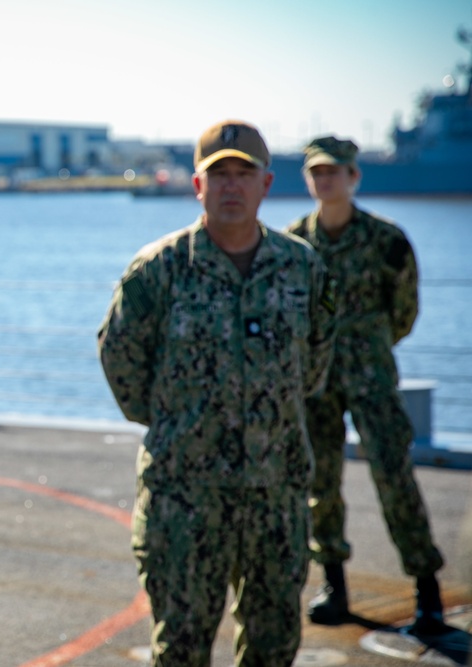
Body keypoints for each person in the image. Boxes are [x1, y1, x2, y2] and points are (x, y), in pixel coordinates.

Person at [97, 120, 337, 666]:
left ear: (266, 184)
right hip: (185, 499)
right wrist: (176, 423)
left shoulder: (304, 268)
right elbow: (121, 359)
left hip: (276, 497)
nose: (232, 186)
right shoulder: (159, 270)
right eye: (219, 174)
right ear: (198, 185)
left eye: (243, 174)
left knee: (274, 647)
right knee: (180, 648)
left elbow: (315, 362)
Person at [287, 136, 447, 635]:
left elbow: (404, 312)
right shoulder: (293, 245)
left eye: (334, 171)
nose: (325, 180)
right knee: (320, 484)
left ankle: (427, 591)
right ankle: (333, 584)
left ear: (354, 177)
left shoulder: (387, 240)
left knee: (395, 478)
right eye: (316, 172)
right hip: (316, 383)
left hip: (373, 379)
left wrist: (370, 345)